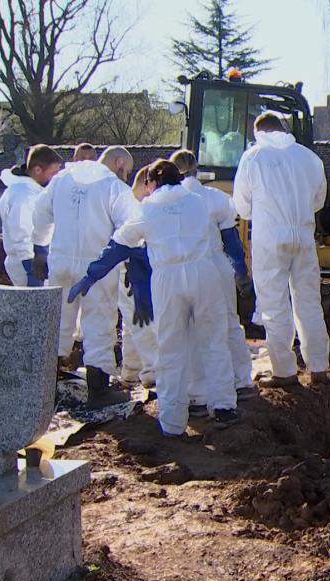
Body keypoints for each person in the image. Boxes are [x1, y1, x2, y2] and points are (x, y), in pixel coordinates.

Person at [68, 160, 241, 435]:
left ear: (151, 183)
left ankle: (172, 421)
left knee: (171, 348)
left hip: (168, 277)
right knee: (214, 341)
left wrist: (91, 276)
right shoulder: (198, 202)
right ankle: (223, 406)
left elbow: (119, 247)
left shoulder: (146, 209)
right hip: (203, 272)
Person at [233, 111, 330, 391]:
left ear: (259, 133)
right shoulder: (309, 158)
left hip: (270, 238)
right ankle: (319, 366)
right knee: (309, 302)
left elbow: (242, 207)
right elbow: (318, 200)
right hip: (303, 236)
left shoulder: (253, 157)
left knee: (274, 305)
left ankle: (284, 371)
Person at [32, 146, 135, 406]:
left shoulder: (61, 180)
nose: (126, 176)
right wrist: (131, 261)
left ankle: (46, 387)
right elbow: (131, 226)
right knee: (99, 322)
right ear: (118, 162)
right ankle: (98, 390)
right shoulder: (113, 187)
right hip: (96, 266)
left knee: (58, 321)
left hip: (61, 261)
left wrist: (39, 248)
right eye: (126, 171)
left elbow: (40, 214)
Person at [171, 149, 259, 408]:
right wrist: (241, 273)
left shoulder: (164, 201)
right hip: (216, 266)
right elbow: (231, 242)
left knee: (190, 328)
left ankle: (197, 393)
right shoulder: (216, 198)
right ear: (197, 169)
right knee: (228, 321)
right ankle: (241, 381)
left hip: (179, 268)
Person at [117, 166, 158, 390]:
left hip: (127, 270)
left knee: (130, 321)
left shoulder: (123, 201)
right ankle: (152, 370)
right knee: (142, 322)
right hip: (132, 272)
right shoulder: (136, 209)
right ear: (146, 184)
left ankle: (131, 369)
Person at [0, 145, 63, 286]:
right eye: (53, 173)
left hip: (38, 260)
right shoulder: (23, 195)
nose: (55, 178)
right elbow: (22, 233)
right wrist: (31, 267)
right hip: (28, 263)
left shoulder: (31, 192)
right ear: (38, 170)